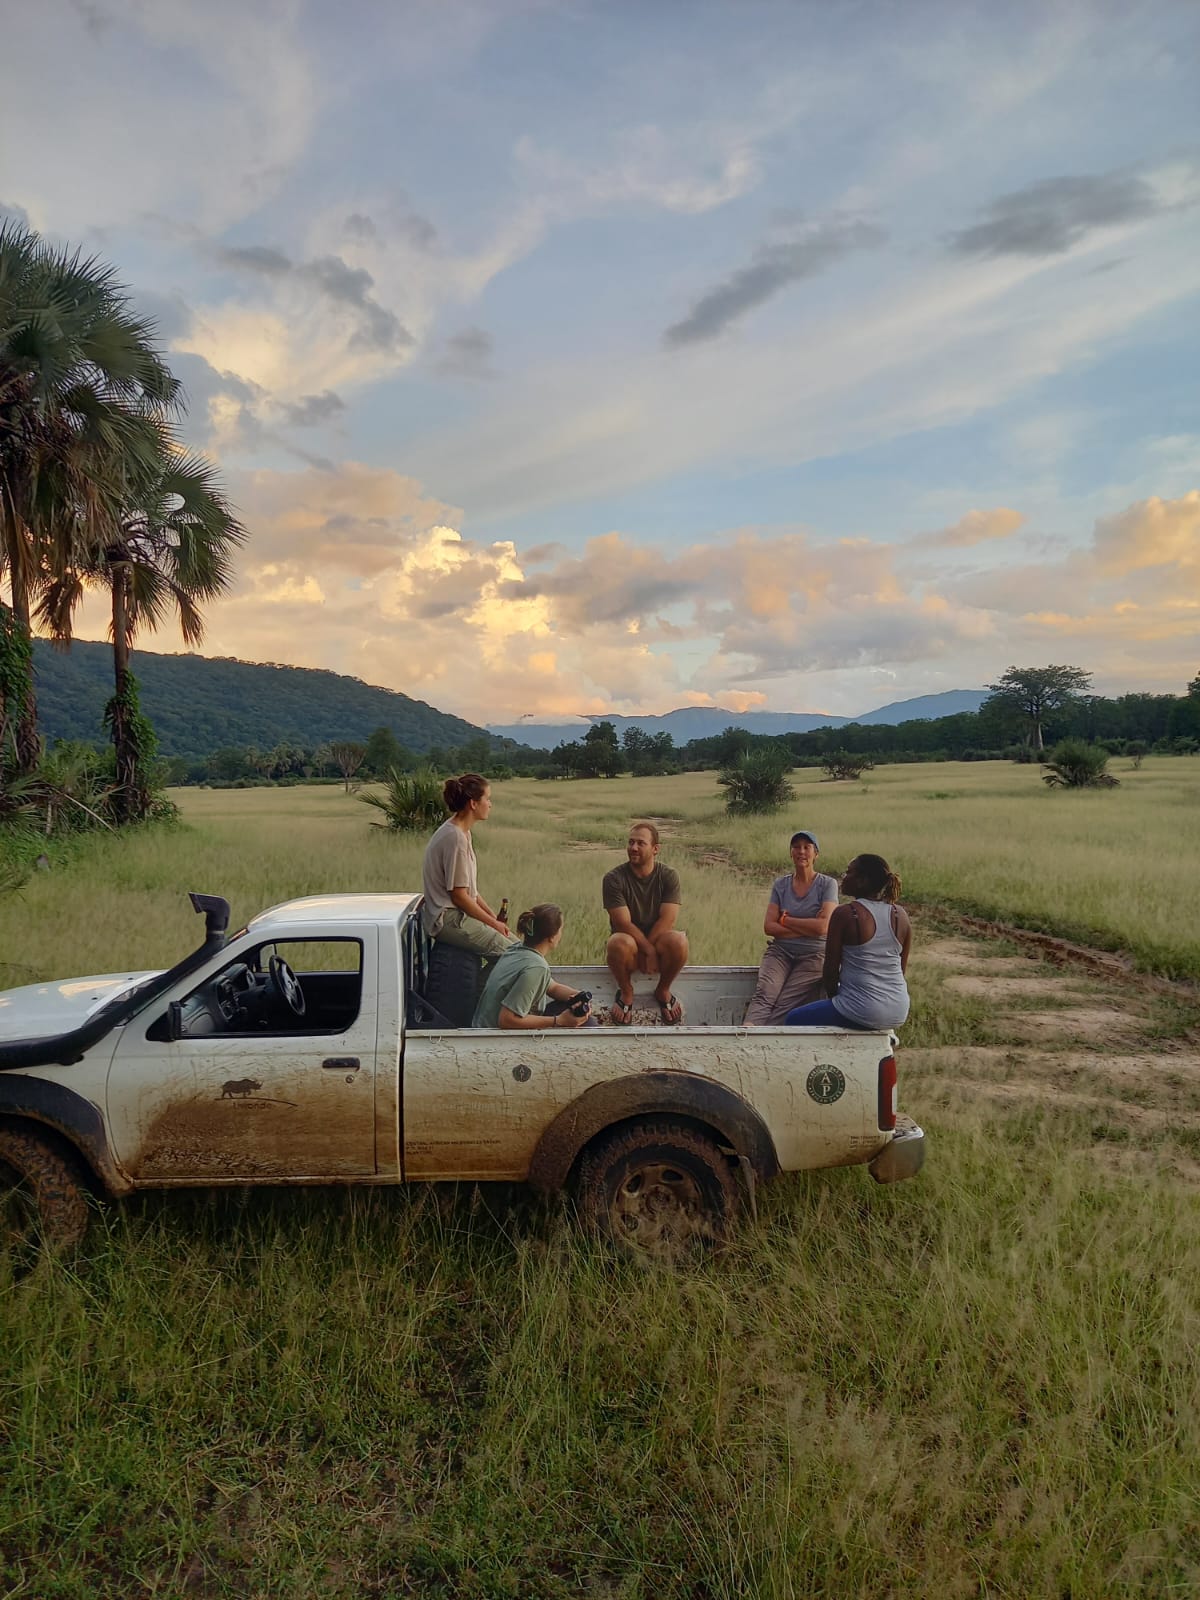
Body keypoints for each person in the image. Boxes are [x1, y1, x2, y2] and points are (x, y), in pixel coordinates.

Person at [784, 853, 911, 1030]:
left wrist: (837, 1001)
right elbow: (900, 969)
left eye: (848, 873)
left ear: (862, 880)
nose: (843, 877)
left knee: (793, 1019)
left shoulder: (846, 914)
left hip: (862, 1009)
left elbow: (830, 973)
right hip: (899, 1009)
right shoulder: (900, 915)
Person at [744, 830, 839, 1024]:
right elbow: (769, 927)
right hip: (781, 952)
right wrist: (808, 926)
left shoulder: (827, 884)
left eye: (807, 847)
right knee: (765, 993)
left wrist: (786, 920)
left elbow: (823, 928)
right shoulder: (781, 884)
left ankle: (763, 1043)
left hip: (814, 955)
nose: (801, 851)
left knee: (785, 1002)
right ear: (790, 852)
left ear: (816, 854)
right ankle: (746, 1034)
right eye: (796, 847)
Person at [602, 821, 688, 1025]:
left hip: (659, 948)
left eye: (641, 843)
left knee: (679, 941)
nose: (633, 848)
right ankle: (626, 991)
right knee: (618, 942)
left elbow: (668, 919)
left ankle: (663, 989)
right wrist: (646, 951)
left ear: (655, 849)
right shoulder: (614, 878)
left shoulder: (668, 876)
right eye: (631, 842)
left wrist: (650, 950)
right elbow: (622, 922)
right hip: (630, 949)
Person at [421, 773, 515, 959]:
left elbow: (470, 891)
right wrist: (493, 924)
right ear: (473, 803)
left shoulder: (463, 833)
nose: (490, 804)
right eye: (487, 799)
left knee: (521, 950)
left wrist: (493, 919)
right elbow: (459, 896)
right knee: (516, 958)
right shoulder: (455, 837)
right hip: (448, 918)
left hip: (458, 913)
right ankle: (471, 989)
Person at [472, 904, 592, 1029]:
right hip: (494, 1040)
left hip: (481, 1027)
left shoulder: (517, 949)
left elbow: (553, 987)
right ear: (551, 937)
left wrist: (579, 996)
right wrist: (559, 1020)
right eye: (561, 929)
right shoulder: (536, 967)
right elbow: (506, 1020)